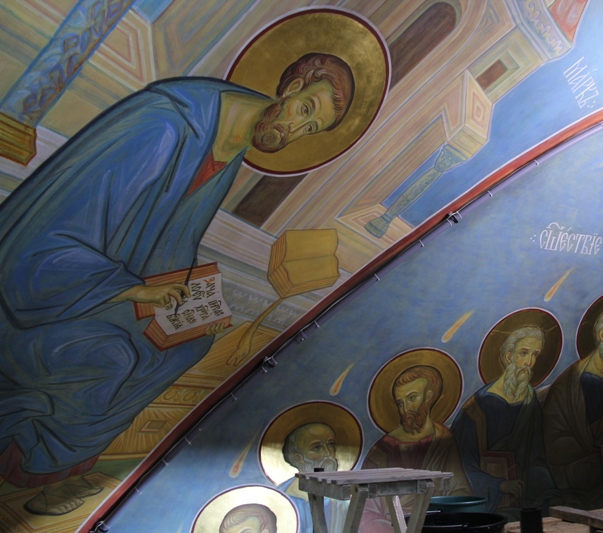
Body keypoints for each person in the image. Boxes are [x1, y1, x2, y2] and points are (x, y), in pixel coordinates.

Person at [0, 53, 354, 516]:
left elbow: (172, 244)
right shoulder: (165, 125)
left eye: (310, 129)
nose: (294, 131)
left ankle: (53, 458)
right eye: (305, 110)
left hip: (107, 284)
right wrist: (135, 290)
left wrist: (192, 310)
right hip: (47, 285)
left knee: (186, 349)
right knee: (112, 357)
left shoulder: (229, 144)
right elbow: (50, 239)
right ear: (290, 88)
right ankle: (37, 457)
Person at [450, 327, 560, 520]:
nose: (529, 362)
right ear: (509, 357)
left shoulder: (530, 401)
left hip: (523, 494)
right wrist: (499, 485)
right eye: (523, 353)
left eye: (535, 355)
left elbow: (536, 455)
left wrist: (538, 482)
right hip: (491, 497)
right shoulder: (477, 408)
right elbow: (461, 465)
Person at [543, 304, 603, 509]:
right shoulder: (568, 382)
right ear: (602, 333)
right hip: (573, 467)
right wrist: (591, 449)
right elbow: (554, 435)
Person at [360, 366, 471, 532]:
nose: (406, 409)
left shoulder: (444, 439)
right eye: (400, 403)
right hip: (392, 527)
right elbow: (365, 506)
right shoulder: (382, 449)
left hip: (434, 525)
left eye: (412, 398)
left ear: (428, 397)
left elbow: (459, 490)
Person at [278, 423, 347, 533]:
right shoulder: (281, 497)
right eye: (316, 448)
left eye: (330, 444)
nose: (327, 453)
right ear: (299, 458)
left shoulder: (342, 497)